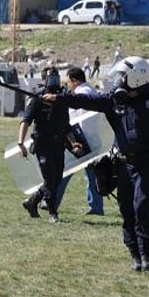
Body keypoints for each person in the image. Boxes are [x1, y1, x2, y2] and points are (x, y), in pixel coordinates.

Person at [43, 57, 149, 272]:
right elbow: (86, 101)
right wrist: (58, 98)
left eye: (121, 77)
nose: (117, 81)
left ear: (135, 78)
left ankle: (146, 255)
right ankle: (134, 253)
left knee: (142, 206)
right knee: (127, 210)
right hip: (123, 166)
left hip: (147, 165)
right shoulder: (115, 101)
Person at [18, 67, 83, 223]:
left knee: (57, 178)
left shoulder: (61, 99)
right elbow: (25, 121)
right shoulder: (37, 99)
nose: (53, 80)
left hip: (58, 144)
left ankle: (32, 202)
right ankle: (53, 214)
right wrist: (21, 143)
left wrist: (74, 142)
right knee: (49, 178)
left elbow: (66, 126)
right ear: (43, 80)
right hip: (42, 144)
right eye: (50, 77)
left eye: (56, 77)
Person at [52, 67, 104, 216]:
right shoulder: (92, 92)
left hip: (81, 140)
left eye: (68, 81)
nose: (68, 85)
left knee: (65, 171)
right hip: (94, 140)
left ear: (74, 81)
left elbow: (78, 119)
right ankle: (96, 207)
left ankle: (51, 203)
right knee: (92, 176)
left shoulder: (81, 94)